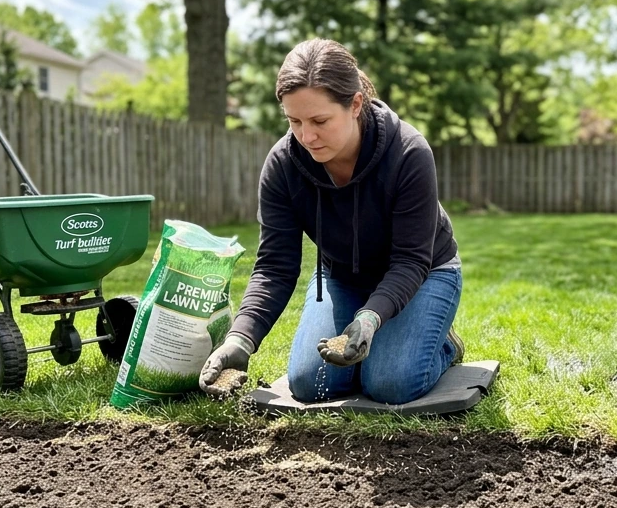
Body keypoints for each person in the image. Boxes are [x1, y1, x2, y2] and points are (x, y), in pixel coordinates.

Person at [198, 38, 464, 404]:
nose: (306, 136)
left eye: (320, 120)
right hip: (342, 277)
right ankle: (385, 342)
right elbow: (275, 266)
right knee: (310, 383)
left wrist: (370, 319)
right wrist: (240, 340)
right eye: (294, 121)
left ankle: (442, 345)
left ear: (355, 104)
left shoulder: (408, 153)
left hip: (425, 273)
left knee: (390, 383)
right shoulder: (283, 166)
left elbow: (411, 260)